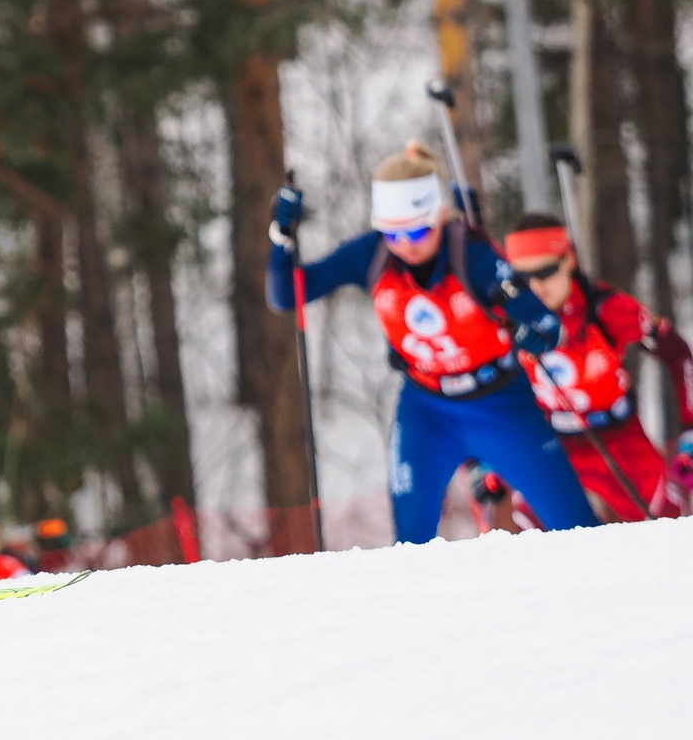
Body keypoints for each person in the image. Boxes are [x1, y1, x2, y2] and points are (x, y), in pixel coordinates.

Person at [267, 143, 597, 543]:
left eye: (418, 230)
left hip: (499, 405)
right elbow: (288, 295)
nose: (406, 244)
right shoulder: (370, 254)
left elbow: (545, 324)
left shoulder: (471, 255)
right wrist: (282, 239)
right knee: (410, 542)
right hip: (426, 410)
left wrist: (534, 332)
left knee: (579, 531)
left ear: (439, 216)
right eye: (393, 233)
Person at [504, 214, 693, 521]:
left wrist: (689, 429)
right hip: (554, 443)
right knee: (523, 528)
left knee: (668, 525)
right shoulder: (506, 320)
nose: (536, 288)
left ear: (569, 260)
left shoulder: (607, 309)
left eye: (546, 271)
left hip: (620, 439)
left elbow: (678, 354)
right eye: (522, 279)